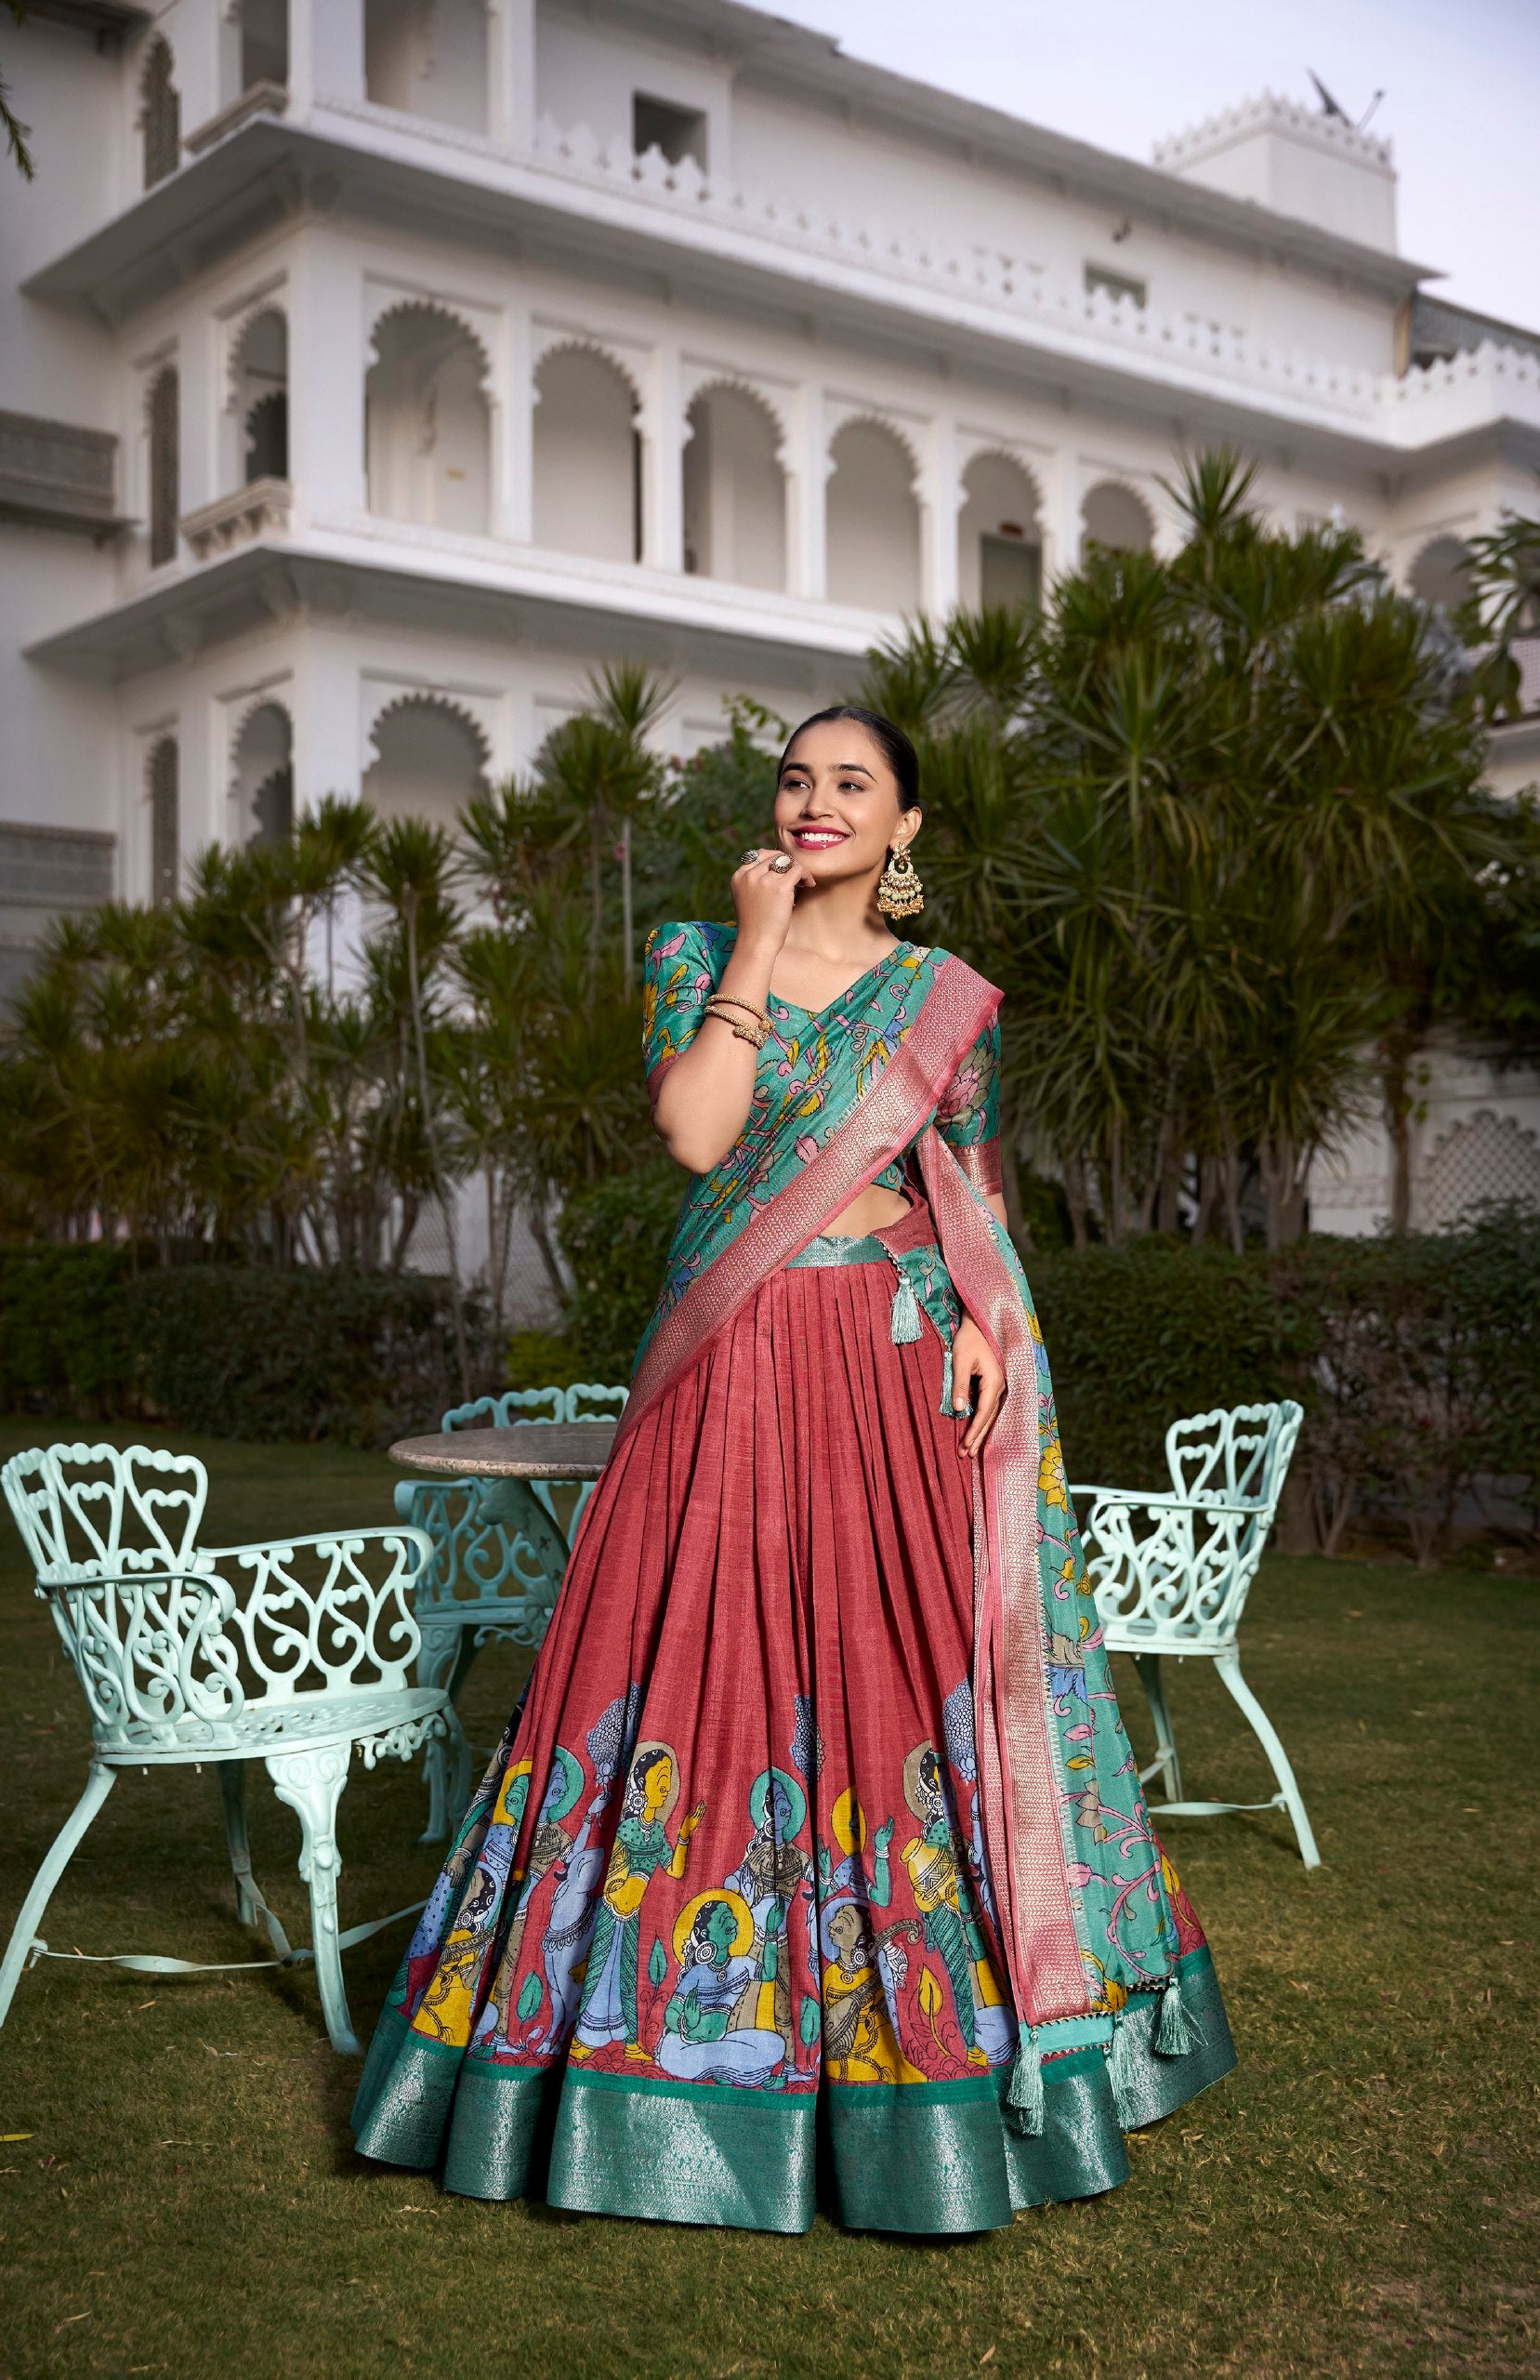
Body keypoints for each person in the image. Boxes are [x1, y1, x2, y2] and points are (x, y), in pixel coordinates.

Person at [351, 704, 1234, 2234]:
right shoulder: (698, 956)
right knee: (688, 1665)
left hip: (891, 1369)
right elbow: (700, 1135)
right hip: (725, 1366)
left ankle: (934, 2063)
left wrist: (983, 1316)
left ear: (905, 831)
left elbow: (971, 1189)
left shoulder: (949, 1002)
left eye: (854, 785)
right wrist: (757, 942)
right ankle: (646, 2056)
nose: (817, 803)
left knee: (895, 1678)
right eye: (797, 780)